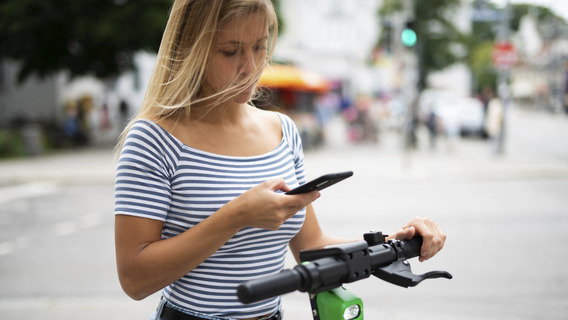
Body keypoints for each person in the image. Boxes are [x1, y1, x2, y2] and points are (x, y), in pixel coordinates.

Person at [113, 1, 447, 320]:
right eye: (230, 51)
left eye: (259, 46)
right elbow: (135, 279)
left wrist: (393, 242)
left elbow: (310, 246)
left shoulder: (281, 130)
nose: (251, 65)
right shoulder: (154, 137)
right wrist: (236, 216)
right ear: (191, 49)